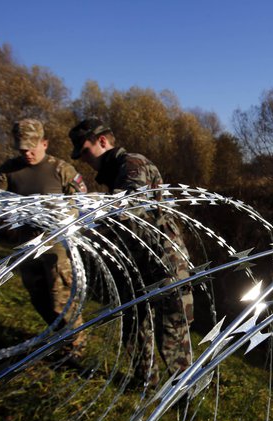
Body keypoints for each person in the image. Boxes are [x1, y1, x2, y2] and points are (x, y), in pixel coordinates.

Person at [68, 117, 194, 387]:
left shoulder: (133, 164)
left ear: (102, 141)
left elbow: (129, 203)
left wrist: (88, 215)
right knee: (133, 325)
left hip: (164, 259)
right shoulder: (114, 172)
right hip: (135, 260)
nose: (84, 160)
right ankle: (146, 381)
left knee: (171, 331)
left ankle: (183, 395)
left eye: (86, 151)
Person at [0, 118, 88, 360]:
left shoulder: (61, 170)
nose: (28, 153)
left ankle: (75, 345)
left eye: (32, 148)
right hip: (25, 244)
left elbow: (82, 202)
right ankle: (59, 337)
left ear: (44, 143)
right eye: (22, 149)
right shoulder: (8, 172)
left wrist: (62, 219)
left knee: (61, 299)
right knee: (38, 297)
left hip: (57, 245)